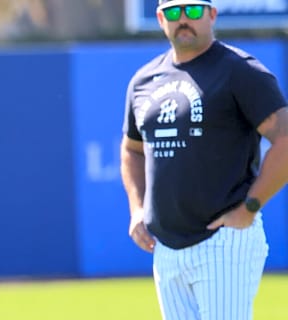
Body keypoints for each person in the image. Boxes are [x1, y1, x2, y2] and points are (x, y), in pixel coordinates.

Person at [120, 0, 288, 319]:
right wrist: (136, 208)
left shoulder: (240, 70)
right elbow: (131, 148)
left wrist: (250, 207)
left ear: (212, 14)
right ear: (160, 18)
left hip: (223, 239)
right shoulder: (144, 80)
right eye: (173, 12)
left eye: (193, 11)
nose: (183, 19)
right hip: (167, 247)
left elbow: (285, 139)